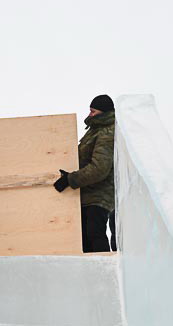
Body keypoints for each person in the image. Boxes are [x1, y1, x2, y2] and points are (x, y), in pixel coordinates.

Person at [54, 94, 116, 252]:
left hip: (99, 195)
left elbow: (100, 168)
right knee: (85, 239)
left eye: (93, 111)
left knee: (95, 234)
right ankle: (91, 273)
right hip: (88, 193)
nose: (90, 115)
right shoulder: (94, 130)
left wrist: (71, 179)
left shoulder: (106, 132)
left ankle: (104, 271)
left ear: (103, 112)